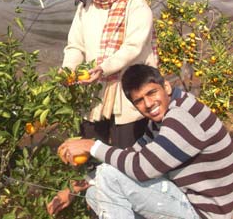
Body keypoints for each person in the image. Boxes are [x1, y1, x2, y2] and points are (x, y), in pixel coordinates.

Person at [48, 64, 233, 218]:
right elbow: (133, 154)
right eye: (139, 101)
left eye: (152, 93)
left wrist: (91, 146)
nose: (149, 104)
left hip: (210, 214)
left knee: (108, 176)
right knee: (94, 194)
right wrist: (76, 187)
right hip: (192, 205)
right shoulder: (164, 117)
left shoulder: (182, 117)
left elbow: (142, 168)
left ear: (166, 87)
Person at [62, 0, 158, 148]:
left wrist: (103, 68)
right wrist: (68, 69)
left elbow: (134, 46)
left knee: (128, 151)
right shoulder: (85, 8)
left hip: (128, 90)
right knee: (90, 148)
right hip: (94, 92)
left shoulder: (135, 3)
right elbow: (75, 45)